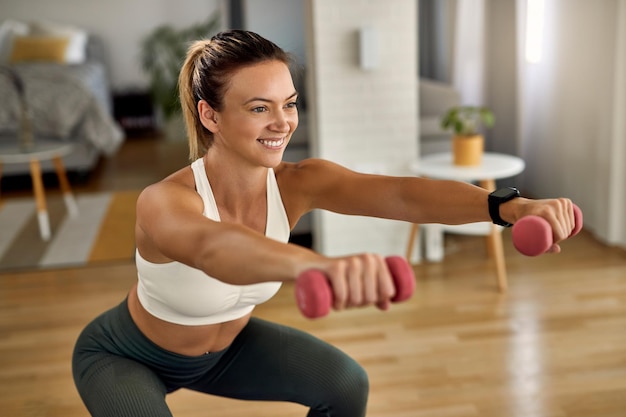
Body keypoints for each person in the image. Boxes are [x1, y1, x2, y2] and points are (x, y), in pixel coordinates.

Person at [72, 30, 576, 417]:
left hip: (226, 352)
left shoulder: (297, 182)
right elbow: (214, 248)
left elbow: (401, 194)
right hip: (126, 355)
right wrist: (320, 267)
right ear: (210, 116)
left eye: (289, 104)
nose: (283, 122)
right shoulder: (164, 201)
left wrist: (507, 207)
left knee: (344, 384)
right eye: (258, 108)